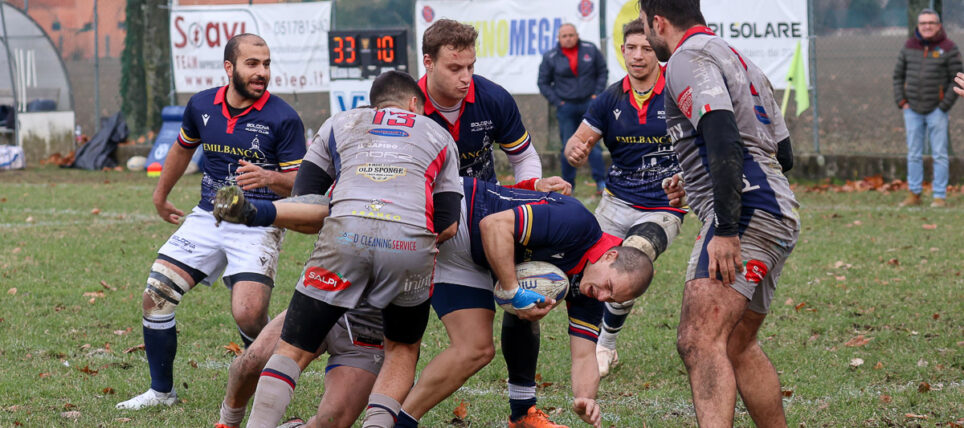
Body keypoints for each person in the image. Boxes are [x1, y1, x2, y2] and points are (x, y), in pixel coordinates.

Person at [218, 177, 655, 428]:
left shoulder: (588, 287)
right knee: (344, 239)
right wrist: (512, 291)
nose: (601, 296)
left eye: (612, 299)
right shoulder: (578, 222)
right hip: (455, 219)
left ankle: (400, 420)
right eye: (608, 288)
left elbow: (583, 352)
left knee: (476, 349)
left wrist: (585, 398)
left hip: (467, 264)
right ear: (611, 255)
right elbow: (493, 228)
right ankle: (261, 208)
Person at [243, 70, 463, 428]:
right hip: (410, 243)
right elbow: (448, 223)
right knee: (401, 350)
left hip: (346, 235)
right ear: (413, 104)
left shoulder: (339, 123)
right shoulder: (438, 134)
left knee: (292, 350)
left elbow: (306, 199)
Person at [116, 33, 307, 410]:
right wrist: (160, 195)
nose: (262, 72)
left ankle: (262, 388)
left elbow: (302, 186)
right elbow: (182, 148)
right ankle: (160, 392)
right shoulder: (202, 105)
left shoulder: (284, 118)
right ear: (229, 67)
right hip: (207, 217)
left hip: (260, 221)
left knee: (250, 315)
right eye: (253, 64)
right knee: (155, 297)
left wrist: (270, 179)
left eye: (266, 64)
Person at [638, 1, 800, 426]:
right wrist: (696, 183)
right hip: (775, 207)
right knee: (736, 345)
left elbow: (724, 135)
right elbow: (783, 153)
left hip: (746, 213)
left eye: (644, 26)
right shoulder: (737, 57)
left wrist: (726, 227)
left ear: (657, 22)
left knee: (699, 338)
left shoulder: (686, 58)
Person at [404, 19, 571, 428]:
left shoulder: (492, 98)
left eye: (471, 68)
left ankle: (523, 411)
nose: (466, 79)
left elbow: (525, 158)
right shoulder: (407, 106)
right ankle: (390, 413)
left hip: (488, 225)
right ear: (427, 63)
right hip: (430, 235)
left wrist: (534, 183)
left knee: (525, 293)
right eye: (454, 69)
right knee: (426, 340)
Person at [564, 19, 684, 378]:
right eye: (631, 48)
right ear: (622, 52)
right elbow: (579, 138)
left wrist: (688, 183)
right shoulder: (608, 100)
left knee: (630, 259)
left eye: (647, 48)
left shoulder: (678, 92)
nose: (638, 55)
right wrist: (575, 149)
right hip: (615, 202)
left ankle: (607, 344)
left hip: (664, 206)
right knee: (587, 273)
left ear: (658, 52)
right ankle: (587, 341)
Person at [893, 8, 962, 208]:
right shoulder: (908, 46)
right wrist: (902, 102)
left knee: (939, 154)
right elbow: (898, 76)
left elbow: (956, 79)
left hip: (937, 111)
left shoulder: (949, 48)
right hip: (912, 109)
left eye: (931, 23)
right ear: (918, 26)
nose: (927, 26)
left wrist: (944, 106)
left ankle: (939, 195)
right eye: (923, 23)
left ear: (939, 26)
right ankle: (914, 193)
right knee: (914, 153)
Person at [539, 23, 609, 193]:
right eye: (564, 36)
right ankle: (568, 184)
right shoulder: (551, 56)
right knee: (567, 147)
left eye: (571, 35)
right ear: (559, 38)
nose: (568, 38)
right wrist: (558, 102)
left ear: (577, 35)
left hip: (589, 105)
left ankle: (601, 182)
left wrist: (596, 95)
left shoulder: (590, 49)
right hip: (566, 107)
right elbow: (543, 82)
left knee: (592, 145)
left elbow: (602, 72)